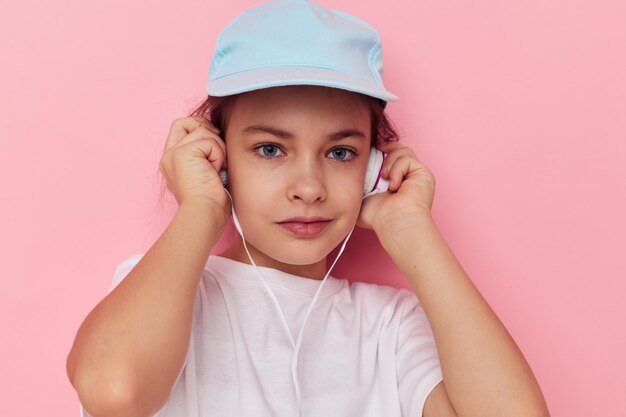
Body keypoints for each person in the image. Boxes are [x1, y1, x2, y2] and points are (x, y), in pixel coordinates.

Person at [66, 1, 551, 417]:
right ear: (220, 156)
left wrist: (410, 228)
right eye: (271, 150)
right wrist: (200, 204)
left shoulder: (391, 327)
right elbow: (115, 393)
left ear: (371, 168)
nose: (309, 188)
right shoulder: (163, 289)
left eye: (340, 153)